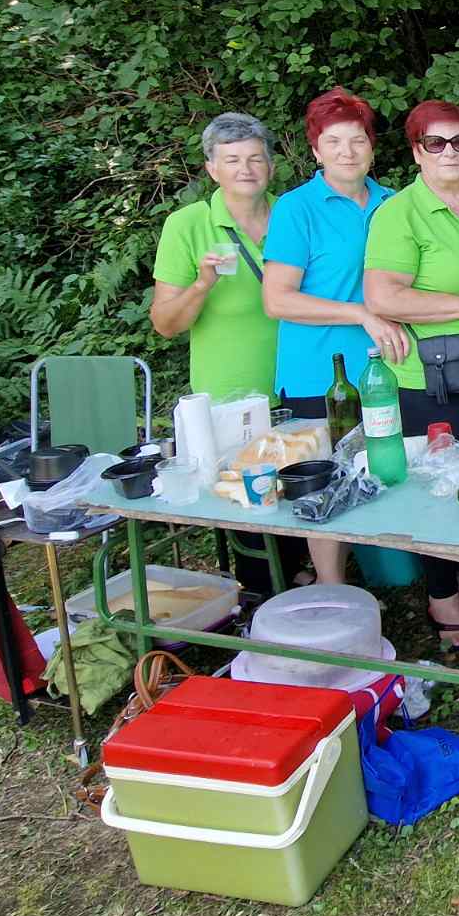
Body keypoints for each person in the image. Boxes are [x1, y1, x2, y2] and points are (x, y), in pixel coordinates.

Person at [363, 100, 459, 649]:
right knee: (435, 485)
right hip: (427, 378)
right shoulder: (400, 214)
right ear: (416, 153)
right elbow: (383, 296)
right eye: (435, 142)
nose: (449, 151)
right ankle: (441, 594)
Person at [264, 87, 407, 585]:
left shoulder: (395, 203)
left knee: (387, 466)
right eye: (334, 141)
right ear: (316, 150)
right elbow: (277, 299)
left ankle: (399, 575)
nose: (347, 152)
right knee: (326, 479)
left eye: (358, 140)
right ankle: (332, 589)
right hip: (320, 373)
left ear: (373, 148)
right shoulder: (296, 208)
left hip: (389, 366)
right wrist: (361, 313)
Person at [150, 112, 297, 594]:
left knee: (298, 487)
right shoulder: (187, 225)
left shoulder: (293, 213)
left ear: (271, 166)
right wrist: (201, 283)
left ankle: (305, 580)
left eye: (255, 158)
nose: (245, 169)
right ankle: (259, 597)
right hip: (231, 393)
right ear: (212, 169)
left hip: (301, 379)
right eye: (231, 160)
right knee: (246, 505)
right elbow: (165, 324)